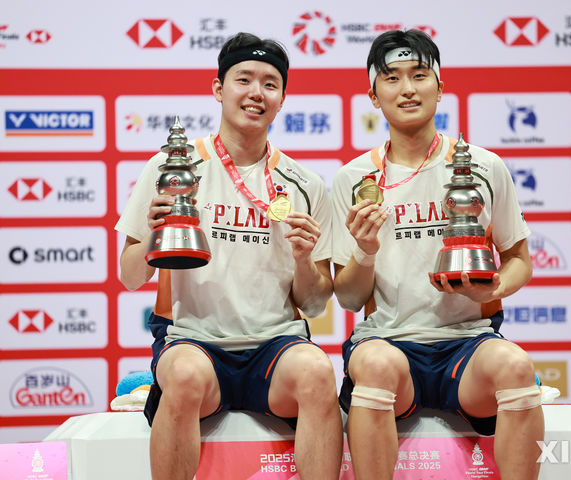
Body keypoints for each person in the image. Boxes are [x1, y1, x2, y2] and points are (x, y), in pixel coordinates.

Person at [116, 32, 342, 480]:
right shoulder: (172, 168)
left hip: (275, 345)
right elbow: (129, 276)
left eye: (270, 84)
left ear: (282, 100)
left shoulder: (305, 184)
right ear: (218, 89)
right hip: (193, 340)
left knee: (318, 372)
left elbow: (315, 304)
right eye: (244, 79)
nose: (257, 92)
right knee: (183, 376)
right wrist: (156, 235)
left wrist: (303, 259)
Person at [331, 29, 544, 480]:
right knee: (375, 365)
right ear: (373, 96)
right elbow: (348, 298)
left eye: (419, 75)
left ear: (440, 88)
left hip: (467, 343)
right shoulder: (353, 178)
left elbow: (519, 259)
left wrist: (493, 287)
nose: (407, 88)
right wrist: (365, 253)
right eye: (392, 78)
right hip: (388, 342)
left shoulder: (483, 167)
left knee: (516, 367)